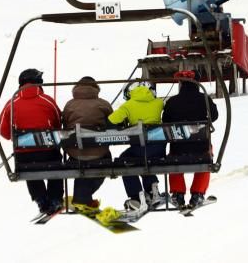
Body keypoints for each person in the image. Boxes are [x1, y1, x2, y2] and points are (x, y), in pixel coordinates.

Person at [0, 69, 64, 215]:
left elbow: (3, 131)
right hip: (49, 153)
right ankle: (55, 198)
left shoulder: (12, 103)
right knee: (56, 165)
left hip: (25, 156)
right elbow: (58, 123)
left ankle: (41, 199)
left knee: (28, 166)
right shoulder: (47, 100)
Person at [162, 70, 219, 209]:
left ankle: (177, 193)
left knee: (173, 158)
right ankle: (198, 193)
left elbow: (165, 121)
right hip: (200, 147)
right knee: (207, 157)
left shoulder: (172, 101)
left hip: (178, 148)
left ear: (181, 83)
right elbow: (215, 115)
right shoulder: (204, 98)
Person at [108, 81, 166, 210]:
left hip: (140, 147)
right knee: (143, 160)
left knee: (124, 160)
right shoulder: (159, 102)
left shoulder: (128, 105)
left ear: (129, 93)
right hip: (159, 148)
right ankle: (152, 190)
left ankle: (136, 197)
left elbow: (110, 121)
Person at [62, 76, 114, 208]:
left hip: (75, 152)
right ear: (96, 88)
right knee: (104, 163)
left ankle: (82, 196)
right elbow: (113, 124)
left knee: (81, 163)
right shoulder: (103, 104)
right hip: (99, 151)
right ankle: (82, 197)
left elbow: (64, 124)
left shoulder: (69, 105)